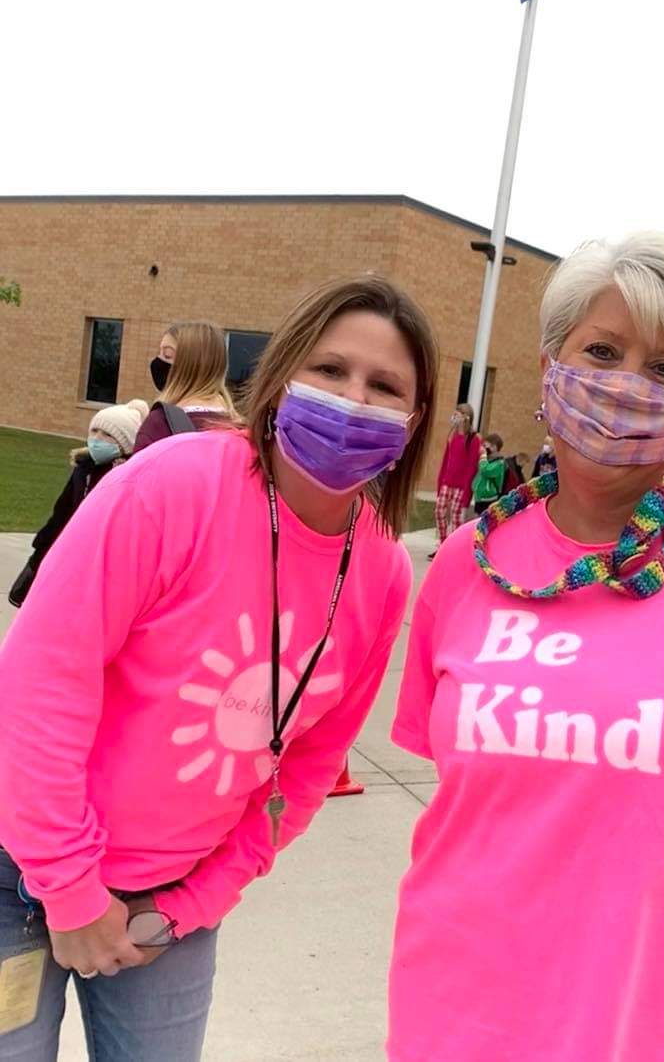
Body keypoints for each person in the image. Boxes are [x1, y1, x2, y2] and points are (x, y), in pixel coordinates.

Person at [388, 233, 664, 1062]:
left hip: (660, 1019)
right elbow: (470, 794)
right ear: (552, 364)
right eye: (602, 349)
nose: (626, 383)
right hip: (458, 1008)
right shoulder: (464, 564)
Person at [0, 275, 436, 1061]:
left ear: (414, 418)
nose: (352, 399)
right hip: (22, 865)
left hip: (172, 903)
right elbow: (39, 683)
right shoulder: (172, 486)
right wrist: (67, 887)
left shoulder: (380, 569)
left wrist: (194, 902)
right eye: (331, 370)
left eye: (384, 386)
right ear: (283, 375)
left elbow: (305, 770)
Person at [8, 400, 149, 608]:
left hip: (103, 563)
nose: (97, 439)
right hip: (72, 551)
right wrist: (41, 549)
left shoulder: (128, 477)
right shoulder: (83, 468)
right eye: (94, 431)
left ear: (125, 442)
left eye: (107, 435)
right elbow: (62, 511)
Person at [133, 320, 236, 451]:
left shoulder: (160, 424)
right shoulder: (240, 429)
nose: (158, 361)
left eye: (167, 355)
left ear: (192, 366)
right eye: (160, 353)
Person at [432, 403, 482, 555]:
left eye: (459, 413)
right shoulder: (452, 435)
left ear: (466, 417)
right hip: (448, 482)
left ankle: (454, 551)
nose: (455, 416)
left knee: (456, 519)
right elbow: (446, 461)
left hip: (461, 486)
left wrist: (467, 495)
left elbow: (471, 467)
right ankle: (443, 544)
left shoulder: (474, 439)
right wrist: (440, 484)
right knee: (439, 512)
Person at [471, 434, 507, 515]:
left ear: (494, 447)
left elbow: (486, 471)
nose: (483, 448)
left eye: (485, 446)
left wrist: (483, 456)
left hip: (488, 499)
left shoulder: (499, 463)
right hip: (480, 498)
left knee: (483, 522)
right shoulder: (487, 460)